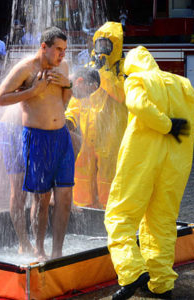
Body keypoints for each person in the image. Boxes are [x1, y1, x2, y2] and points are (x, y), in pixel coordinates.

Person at [104, 46, 194, 299]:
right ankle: (161, 284)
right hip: (176, 162)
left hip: (140, 159)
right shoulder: (182, 83)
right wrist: (177, 127)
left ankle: (132, 272)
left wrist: (166, 125)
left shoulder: (137, 78)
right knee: (162, 222)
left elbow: (138, 105)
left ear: (131, 66)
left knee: (120, 216)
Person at [0, 26, 74, 260]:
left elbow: (65, 103)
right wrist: (33, 91)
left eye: (64, 50)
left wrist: (67, 85)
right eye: (58, 49)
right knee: (38, 197)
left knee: (66, 195)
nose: (62, 54)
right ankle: (34, 247)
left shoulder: (64, 67)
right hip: (34, 137)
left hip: (61, 137)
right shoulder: (26, 69)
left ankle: (57, 252)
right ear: (44, 47)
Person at [66, 22, 128, 209]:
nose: (102, 49)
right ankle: (84, 210)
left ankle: (107, 212)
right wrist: (70, 116)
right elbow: (78, 95)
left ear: (116, 46)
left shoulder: (124, 69)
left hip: (111, 136)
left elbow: (122, 94)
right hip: (87, 133)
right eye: (99, 44)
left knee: (108, 175)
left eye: (107, 45)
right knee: (83, 171)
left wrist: (103, 73)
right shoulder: (88, 67)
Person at [0, 104, 34, 254]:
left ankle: (29, 243)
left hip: (24, 128)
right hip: (11, 128)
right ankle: (23, 243)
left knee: (24, 189)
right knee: (18, 189)